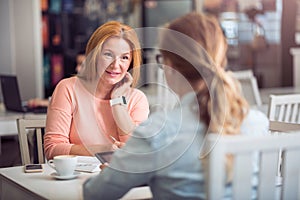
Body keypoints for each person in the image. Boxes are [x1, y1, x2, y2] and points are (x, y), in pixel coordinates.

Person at [82, 12, 269, 199]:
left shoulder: (157, 134)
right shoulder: (258, 124)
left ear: (170, 65)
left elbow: (94, 194)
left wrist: (130, 171)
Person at [43, 21, 150, 159]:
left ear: (131, 62)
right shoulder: (68, 88)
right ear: (94, 55)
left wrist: (118, 102)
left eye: (124, 57)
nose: (115, 65)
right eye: (108, 55)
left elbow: (136, 151)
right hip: (74, 177)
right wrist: (100, 150)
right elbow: (53, 148)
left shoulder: (138, 99)